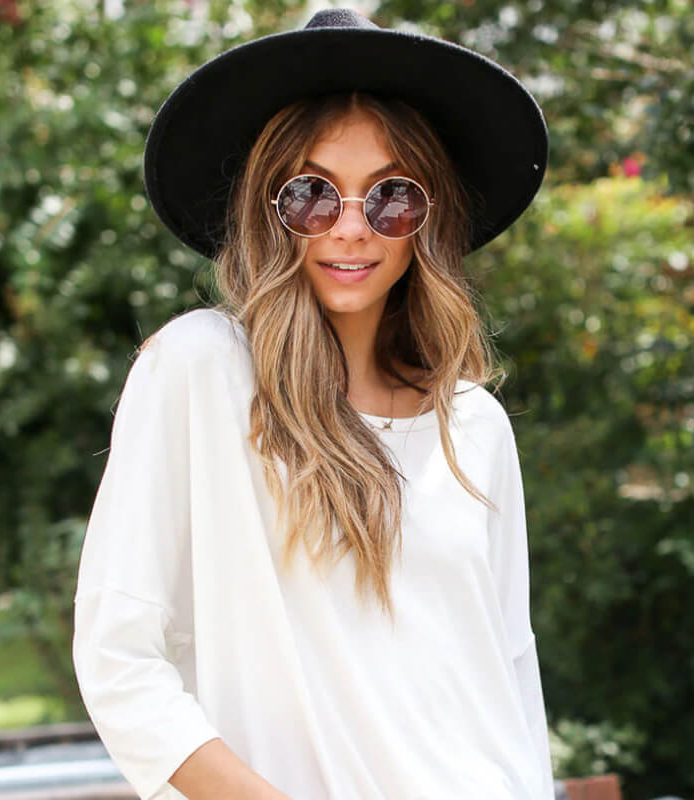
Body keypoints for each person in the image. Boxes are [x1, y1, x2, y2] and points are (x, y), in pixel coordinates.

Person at [72, 8, 554, 800]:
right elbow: (119, 661)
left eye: (392, 196)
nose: (352, 228)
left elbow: (510, 672)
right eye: (312, 195)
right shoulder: (202, 369)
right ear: (268, 210)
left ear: (429, 219)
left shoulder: (474, 425)